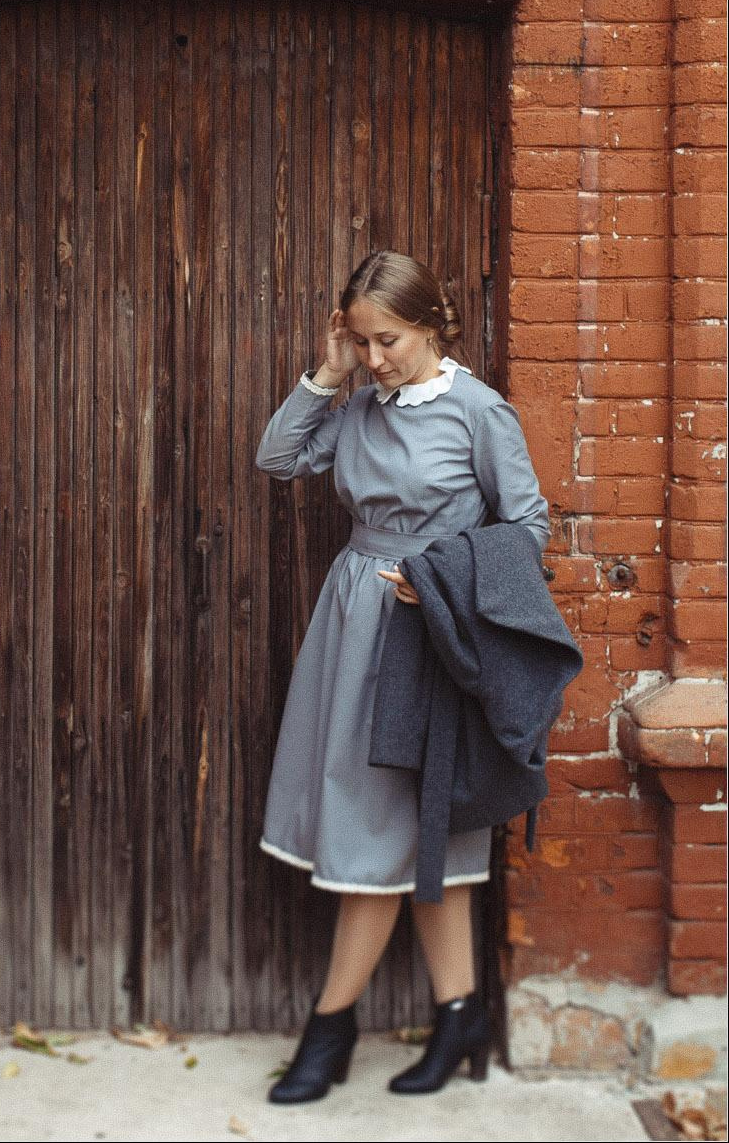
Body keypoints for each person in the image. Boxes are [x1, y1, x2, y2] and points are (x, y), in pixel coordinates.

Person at [254, 250, 551, 1104]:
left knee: (385, 828)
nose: (375, 358)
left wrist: (446, 576)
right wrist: (325, 372)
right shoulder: (357, 406)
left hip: (430, 634)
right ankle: (459, 1013)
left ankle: (330, 1026)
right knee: (414, 828)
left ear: (429, 323)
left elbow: (526, 526)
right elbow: (278, 459)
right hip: (352, 623)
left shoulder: (477, 412)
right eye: (361, 341)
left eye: (386, 340)